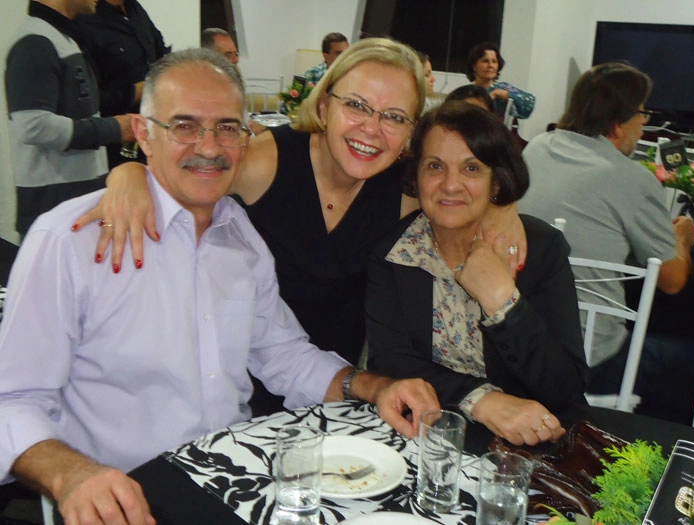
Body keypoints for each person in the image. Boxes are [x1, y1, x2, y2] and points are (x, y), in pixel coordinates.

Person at [0, 48, 439, 525]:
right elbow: (13, 399)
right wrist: (72, 477)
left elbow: (283, 355)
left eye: (227, 127)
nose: (209, 147)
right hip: (120, 498)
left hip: (231, 486)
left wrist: (373, 386)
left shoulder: (241, 238)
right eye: (184, 126)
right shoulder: (70, 241)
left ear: (245, 138)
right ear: (144, 134)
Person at [71, 37, 526, 390]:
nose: (372, 129)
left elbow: (467, 190)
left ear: (410, 131)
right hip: (234, 375)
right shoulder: (266, 162)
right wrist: (130, 172)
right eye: (357, 106)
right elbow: (189, 167)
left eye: (393, 116)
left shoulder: (403, 189)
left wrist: (503, 208)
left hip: (332, 386)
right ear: (325, 106)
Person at [366, 101, 586, 446]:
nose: (450, 185)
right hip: (430, 437)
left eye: (471, 168)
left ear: (496, 183)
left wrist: (502, 301)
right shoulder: (395, 254)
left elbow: (565, 388)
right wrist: (480, 399)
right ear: (416, 177)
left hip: (529, 448)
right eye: (435, 166)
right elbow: (391, 360)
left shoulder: (541, 249)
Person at [519, 62, 694, 397]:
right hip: (590, 357)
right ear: (617, 125)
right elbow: (672, 281)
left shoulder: (538, 147)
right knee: (689, 354)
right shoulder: (631, 178)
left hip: (524, 338)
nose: (644, 126)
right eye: (643, 114)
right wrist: (683, 237)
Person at [5, 0, 135, 237]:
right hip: (52, 211)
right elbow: (32, 126)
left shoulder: (62, 39)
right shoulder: (36, 42)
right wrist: (113, 128)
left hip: (75, 204)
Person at [76, 0, 169, 168]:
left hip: (152, 131)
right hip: (114, 144)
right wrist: (136, 92)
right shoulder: (86, 20)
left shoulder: (135, 9)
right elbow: (88, 99)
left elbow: (161, 54)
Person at [465, 41, 535, 120]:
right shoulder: (467, 92)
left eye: (494, 61)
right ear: (474, 66)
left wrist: (505, 94)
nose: (490, 65)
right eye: (485, 61)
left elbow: (528, 103)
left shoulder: (502, 88)